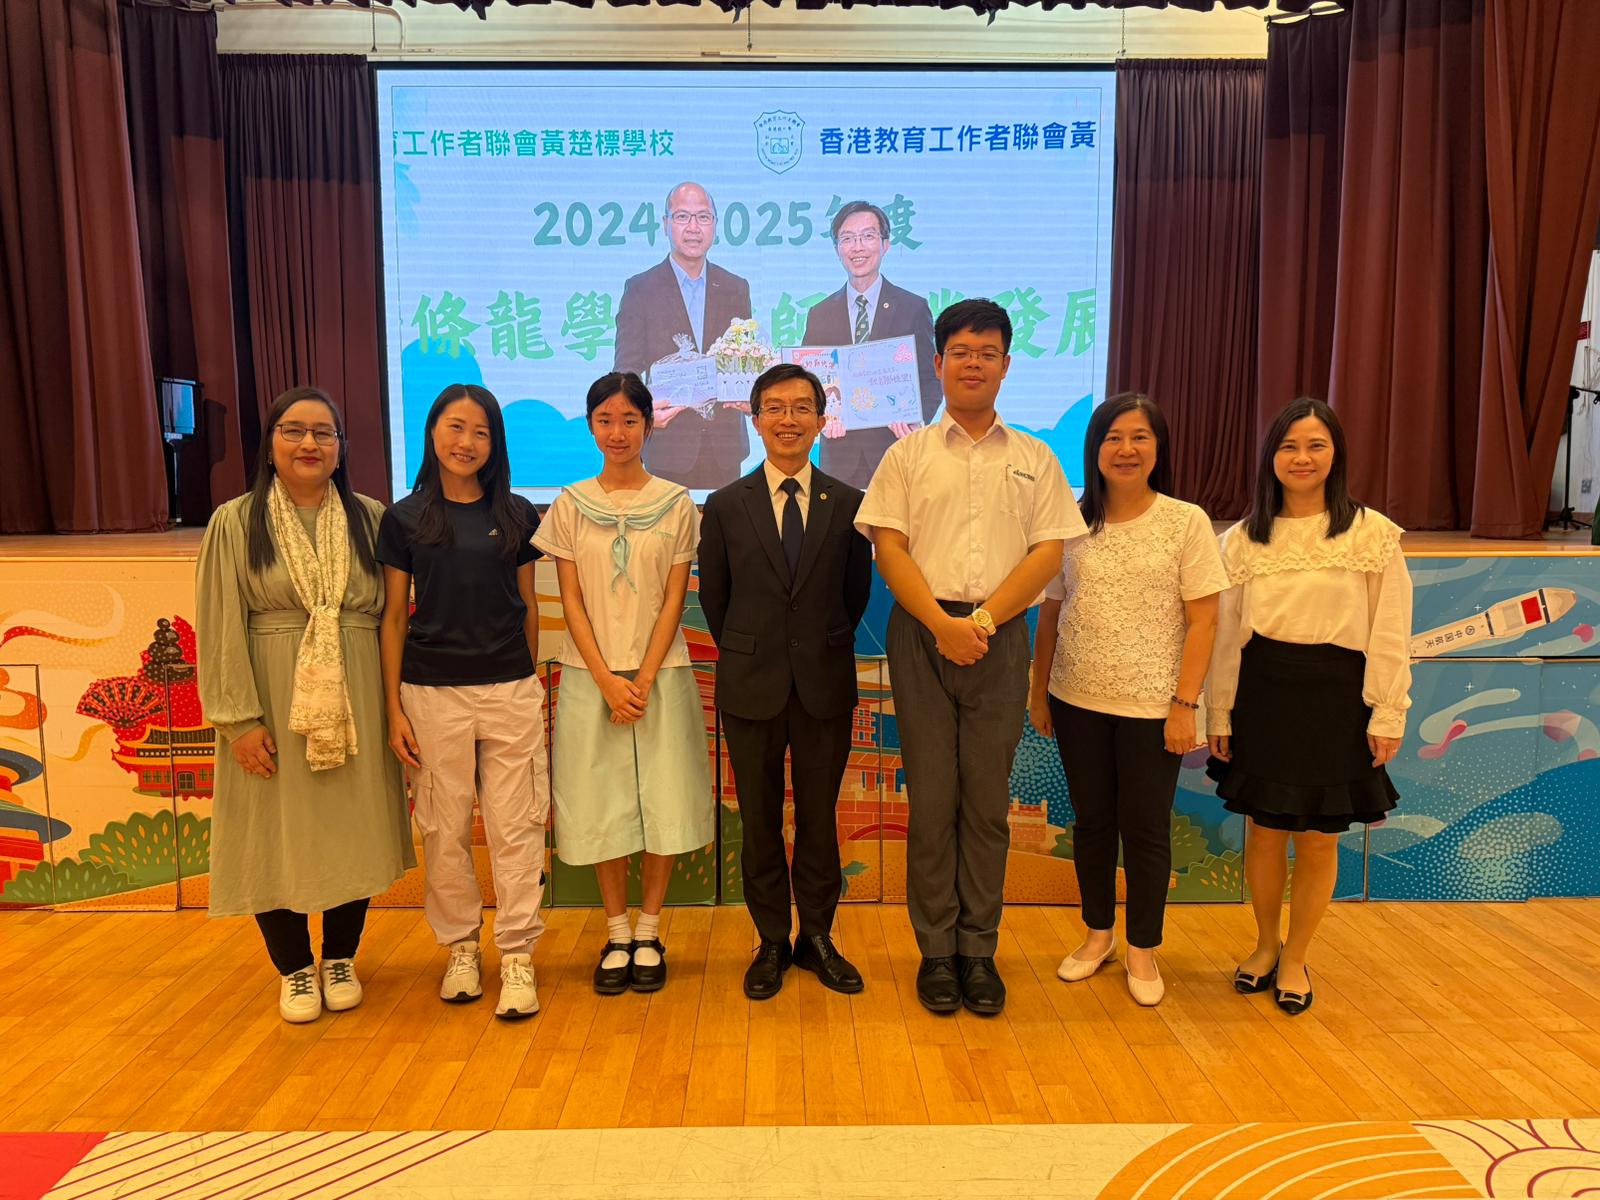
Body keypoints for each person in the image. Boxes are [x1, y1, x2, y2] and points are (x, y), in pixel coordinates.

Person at [856, 298, 1083, 1016]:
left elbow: (1047, 552)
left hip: (1000, 633)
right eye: (961, 351)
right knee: (932, 801)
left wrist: (979, 622)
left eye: (987, 353)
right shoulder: (907, 455)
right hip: (922, 633)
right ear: (938, 363)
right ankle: (935, 952)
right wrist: (941, 624)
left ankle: (978, 950)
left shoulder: (1035, 457)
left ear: (1006, 365)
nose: (974, 363)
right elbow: (889, 548)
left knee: (986, 804)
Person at [196, 386, 414, 1024]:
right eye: (294, 431)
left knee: (353, 827)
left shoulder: (371, 518)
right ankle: (294, 968)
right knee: (273, 831)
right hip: (272, 695)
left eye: (324, 433)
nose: (309, 444)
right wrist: (239, 719)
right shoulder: (236, 521)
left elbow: (393, 618)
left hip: (357, 694)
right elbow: (219, 623)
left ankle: (340, 957)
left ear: (341, 448)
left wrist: (395, 706)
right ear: (270, 444)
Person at [1207, 397, 1412, 1017]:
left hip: (1337, 698)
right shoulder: (1242, 539)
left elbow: (1390, 631)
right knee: (1265, 831)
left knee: (1320, 840)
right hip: (1264, 693)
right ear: (1270, 457)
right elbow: (1224, 634)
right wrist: (1219, 712)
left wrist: (1387, 712)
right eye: (1289, 446)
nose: (1302, 457)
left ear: (1335, 455)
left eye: (1316, 445)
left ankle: (1297, 955)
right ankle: (1265, 945)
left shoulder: (1372, 534)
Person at [1027, 394, 1227, 1007]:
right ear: (1094, 449)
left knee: (1144, 827)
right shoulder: (1071, 523)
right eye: (1113, 437)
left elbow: (1204, 621)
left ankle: (1143, 946)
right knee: (1092, 824)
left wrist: (1185, 705)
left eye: (1140, 437)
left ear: (1158, 448)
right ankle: (1098, 935)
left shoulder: (1185, 521)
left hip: (1153, 709)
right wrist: (1039, 693)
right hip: (1076, 699)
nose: (1126, 449)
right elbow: (1051, 613)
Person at [533, 371, 714, 995]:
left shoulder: (678, 502)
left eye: (629, 420)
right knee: (599, 800)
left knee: (664, 798)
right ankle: (615, 932)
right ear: (590, 426)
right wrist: (609, 681)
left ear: (648, 425)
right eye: (606, 420)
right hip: (590, 678)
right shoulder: (569, 504)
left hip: (663, 674)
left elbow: (675, 600)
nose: (618, 432)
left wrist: (642, 677)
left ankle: (650, 929)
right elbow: (571, 602)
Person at [698, 364, 874, 1000]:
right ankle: (771, 938)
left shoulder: (848, 504)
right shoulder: (725, 505)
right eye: (774, 407)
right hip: (752, 686)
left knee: (820, 819)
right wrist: (759, 649)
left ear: (822, 420)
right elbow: (716, 600)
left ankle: (817, 936)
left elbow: (854, 596)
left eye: (802, 407)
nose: (788, 419)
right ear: (755, 420)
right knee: (761, 819)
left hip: (824, 683)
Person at [377, 384, 548, 1020]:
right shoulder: (405, 519)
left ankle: (519, 953)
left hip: (508, 690)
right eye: (455, 427)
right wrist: (393, 708)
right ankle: (461, 948)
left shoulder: (518, 513)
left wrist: (523, 678)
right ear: (432, 433)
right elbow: (393, 618)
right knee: (443, 829)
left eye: (480, 431)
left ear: (494, 443)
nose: (466, 442)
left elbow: (528, 606)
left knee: (516, 826)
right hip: (430, 694)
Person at [614, 182, 755, 490]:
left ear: (715, 224)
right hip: (667, 447)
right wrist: (644, 412)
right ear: (666, 224)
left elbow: (743, 359)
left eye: (703, 217)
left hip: (725, 450)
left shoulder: (735, 287)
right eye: (682, 217)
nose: (693, 227)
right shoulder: (641, 289)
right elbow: (626, 371)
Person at [801, 200, 942, 491]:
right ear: (837, 249)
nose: (857, 247)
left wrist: (916, 421)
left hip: (894, 451)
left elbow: (931, 378)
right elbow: (807, 381)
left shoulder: (912, 308)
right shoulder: (820, 313)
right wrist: (819, 418)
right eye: (847, 238)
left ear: (885, 244)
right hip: (839, 457)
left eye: (867, 236)